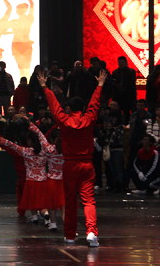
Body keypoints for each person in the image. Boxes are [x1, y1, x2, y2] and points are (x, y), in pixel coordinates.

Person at [38, 69, 106, 247]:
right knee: (89, 200)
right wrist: (99, 85)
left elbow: (54, 106)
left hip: (70, 165)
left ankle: (69, 235)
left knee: (70, 201)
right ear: (82, 108)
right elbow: (94, 105)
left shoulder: (64, 120)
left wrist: (45, 87)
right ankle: (91, 232)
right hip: (87, 164)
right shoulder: (88, 119)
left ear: (70, 108)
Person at [111, 56, 137, 123]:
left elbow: (131, 84)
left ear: (126, 63)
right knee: (117, 112)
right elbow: (113, 83)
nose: (121, 64)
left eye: (122, 62)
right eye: (119, 62)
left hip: (128, 95)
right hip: (118, 96)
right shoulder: (115, 72)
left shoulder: (131, 72)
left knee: (127, 112)